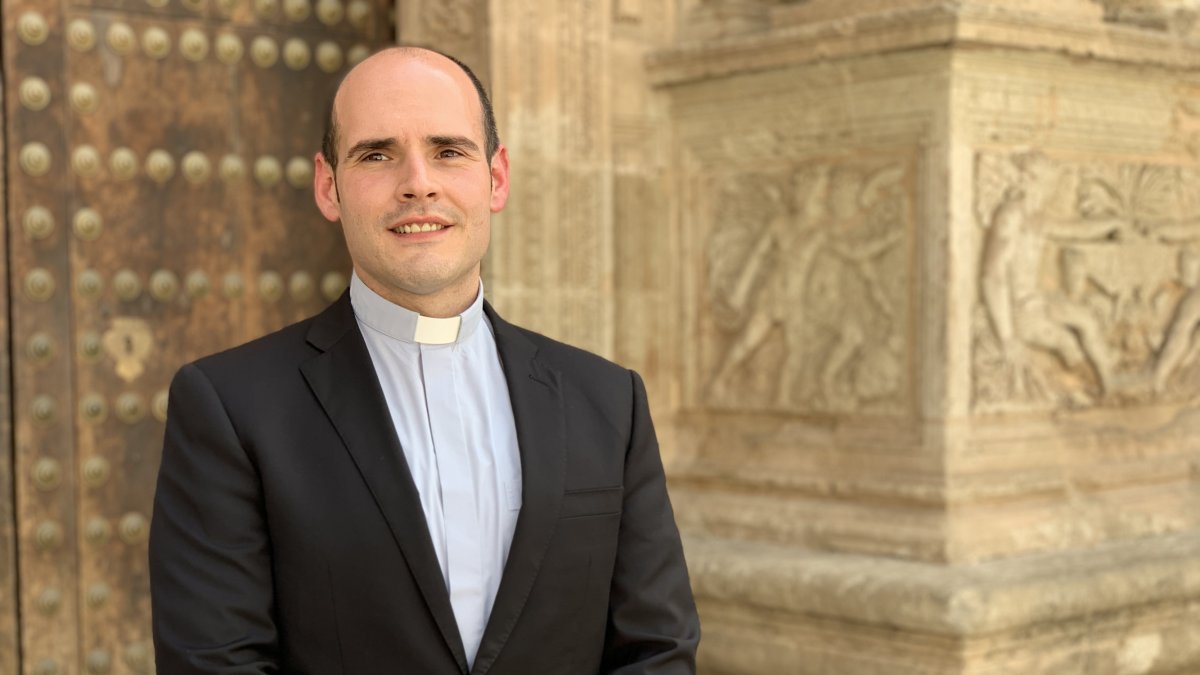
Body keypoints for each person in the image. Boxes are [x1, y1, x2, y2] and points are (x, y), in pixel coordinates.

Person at [149, 46, 700, 674]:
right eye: (377, 154)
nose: (418, 182)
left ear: (496, 178)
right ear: (329, 187)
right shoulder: (229, 406)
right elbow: (216, 664)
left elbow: (656, 650)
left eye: (448, 151)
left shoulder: (609, 400)